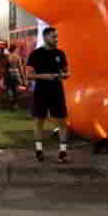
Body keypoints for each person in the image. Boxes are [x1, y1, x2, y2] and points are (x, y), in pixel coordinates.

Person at [26, 27, 70, 163]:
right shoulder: (35, 54)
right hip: (41, 91)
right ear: (45, 37)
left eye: (57, 37)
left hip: (57, 90)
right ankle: (39, 151)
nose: (56, 39)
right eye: (53, 37)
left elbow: (66, 72)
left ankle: (63, 152)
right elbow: (28, 75)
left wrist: (63, 75)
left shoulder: (60, 53)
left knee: (62, 121)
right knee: (39, 121)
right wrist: (44, 76)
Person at [5, 44, 24, 111]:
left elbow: (6, 68)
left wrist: (5, 75)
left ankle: (11, 101)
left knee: (9, 89)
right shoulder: (18, 57)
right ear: (15, 49)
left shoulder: (8, 57)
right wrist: (22, 77)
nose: (17, 50)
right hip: (16, 73)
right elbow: (20, 68)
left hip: (9, 73)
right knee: (15, 89)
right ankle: (15, 104)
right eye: (17, 49)